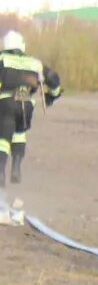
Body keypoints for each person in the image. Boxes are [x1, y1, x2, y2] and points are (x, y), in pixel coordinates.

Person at [0, 29, 60, 186]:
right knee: (20, 134)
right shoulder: (35, 63)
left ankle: (0, 172)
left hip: (6, 102)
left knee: (3, 138)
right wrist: (52, 96)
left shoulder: (2, 58)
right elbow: (54, 80)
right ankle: (16, 169)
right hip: (26, 103)